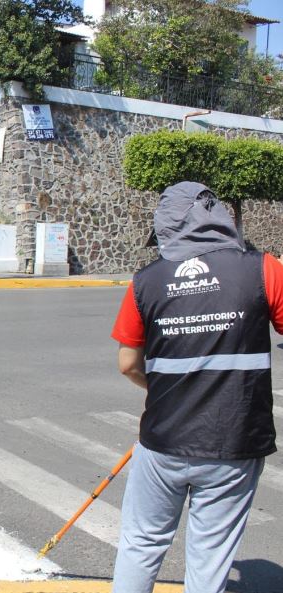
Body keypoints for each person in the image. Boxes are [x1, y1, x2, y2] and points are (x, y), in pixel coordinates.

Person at [110, 181, 283, 593]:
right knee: (209, 558)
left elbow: (127, 364)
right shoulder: (263, 268)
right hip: (234, 442)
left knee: (141, 544)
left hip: (163, 438)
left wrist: (163, 389)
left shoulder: (147, 281)